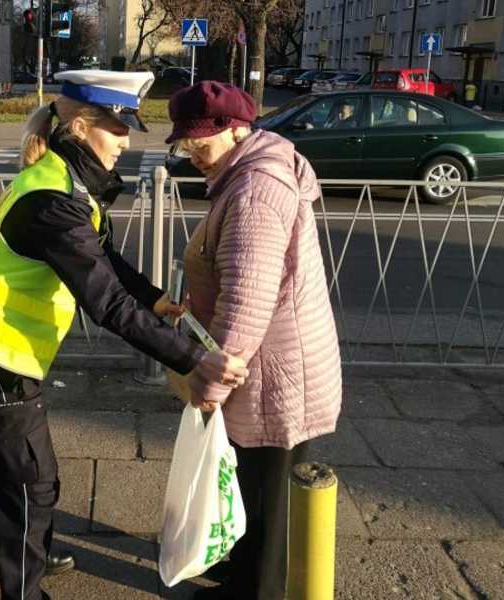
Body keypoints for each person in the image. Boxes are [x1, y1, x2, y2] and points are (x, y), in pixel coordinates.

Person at [0, 70, 249, 600]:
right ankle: (22, 586)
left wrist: (153, 297)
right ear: (83, 127)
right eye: (120, 127)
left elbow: (101, 255)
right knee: (30, 482)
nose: (128, 141)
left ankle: (17, 554)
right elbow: (105, 302)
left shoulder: (64, 180)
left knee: (8, 469)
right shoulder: (53, 201)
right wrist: (191, 359)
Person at [166, 81, 342, 600]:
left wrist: (209, 383)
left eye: (200, 143)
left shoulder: (255, 192)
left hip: (270, 374)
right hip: (267, 366)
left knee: (266, 499)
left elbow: (246, 301)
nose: (191, 154)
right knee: (248, 483)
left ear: (237, 130)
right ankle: (242, 570)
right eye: (185, 144)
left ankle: (254, 590)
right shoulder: (243, 175)